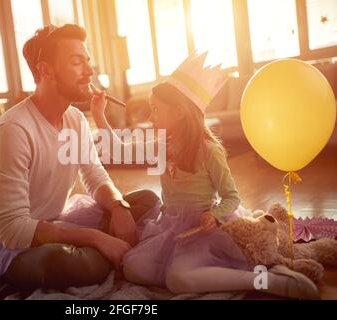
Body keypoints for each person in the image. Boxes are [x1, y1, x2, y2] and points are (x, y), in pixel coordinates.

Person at [0, 24, 160, 299]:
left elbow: (95, 175)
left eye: (87, 61)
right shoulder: (14, 130)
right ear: (46, 71)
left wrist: (119, 207)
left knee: (146, 199)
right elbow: (14, 231)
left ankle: (103, 252)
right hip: (11, 245)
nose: (89, 71)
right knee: (59, 260)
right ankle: (104, 252)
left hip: (56, 222)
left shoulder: (75, 119)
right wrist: (95, 237)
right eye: (77, 62)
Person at [89, 52, 319, 299]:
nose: (150, 117)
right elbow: (118, 149)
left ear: (179, 112)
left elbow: (231, 197)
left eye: (156, 110)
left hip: (203, 229)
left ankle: (267, 281)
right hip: (170, 227)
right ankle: (209, 270)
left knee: (176, 278)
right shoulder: (160, 145)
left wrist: (215, 215)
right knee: (133, 268)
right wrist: (99, 114)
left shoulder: (209, 151)